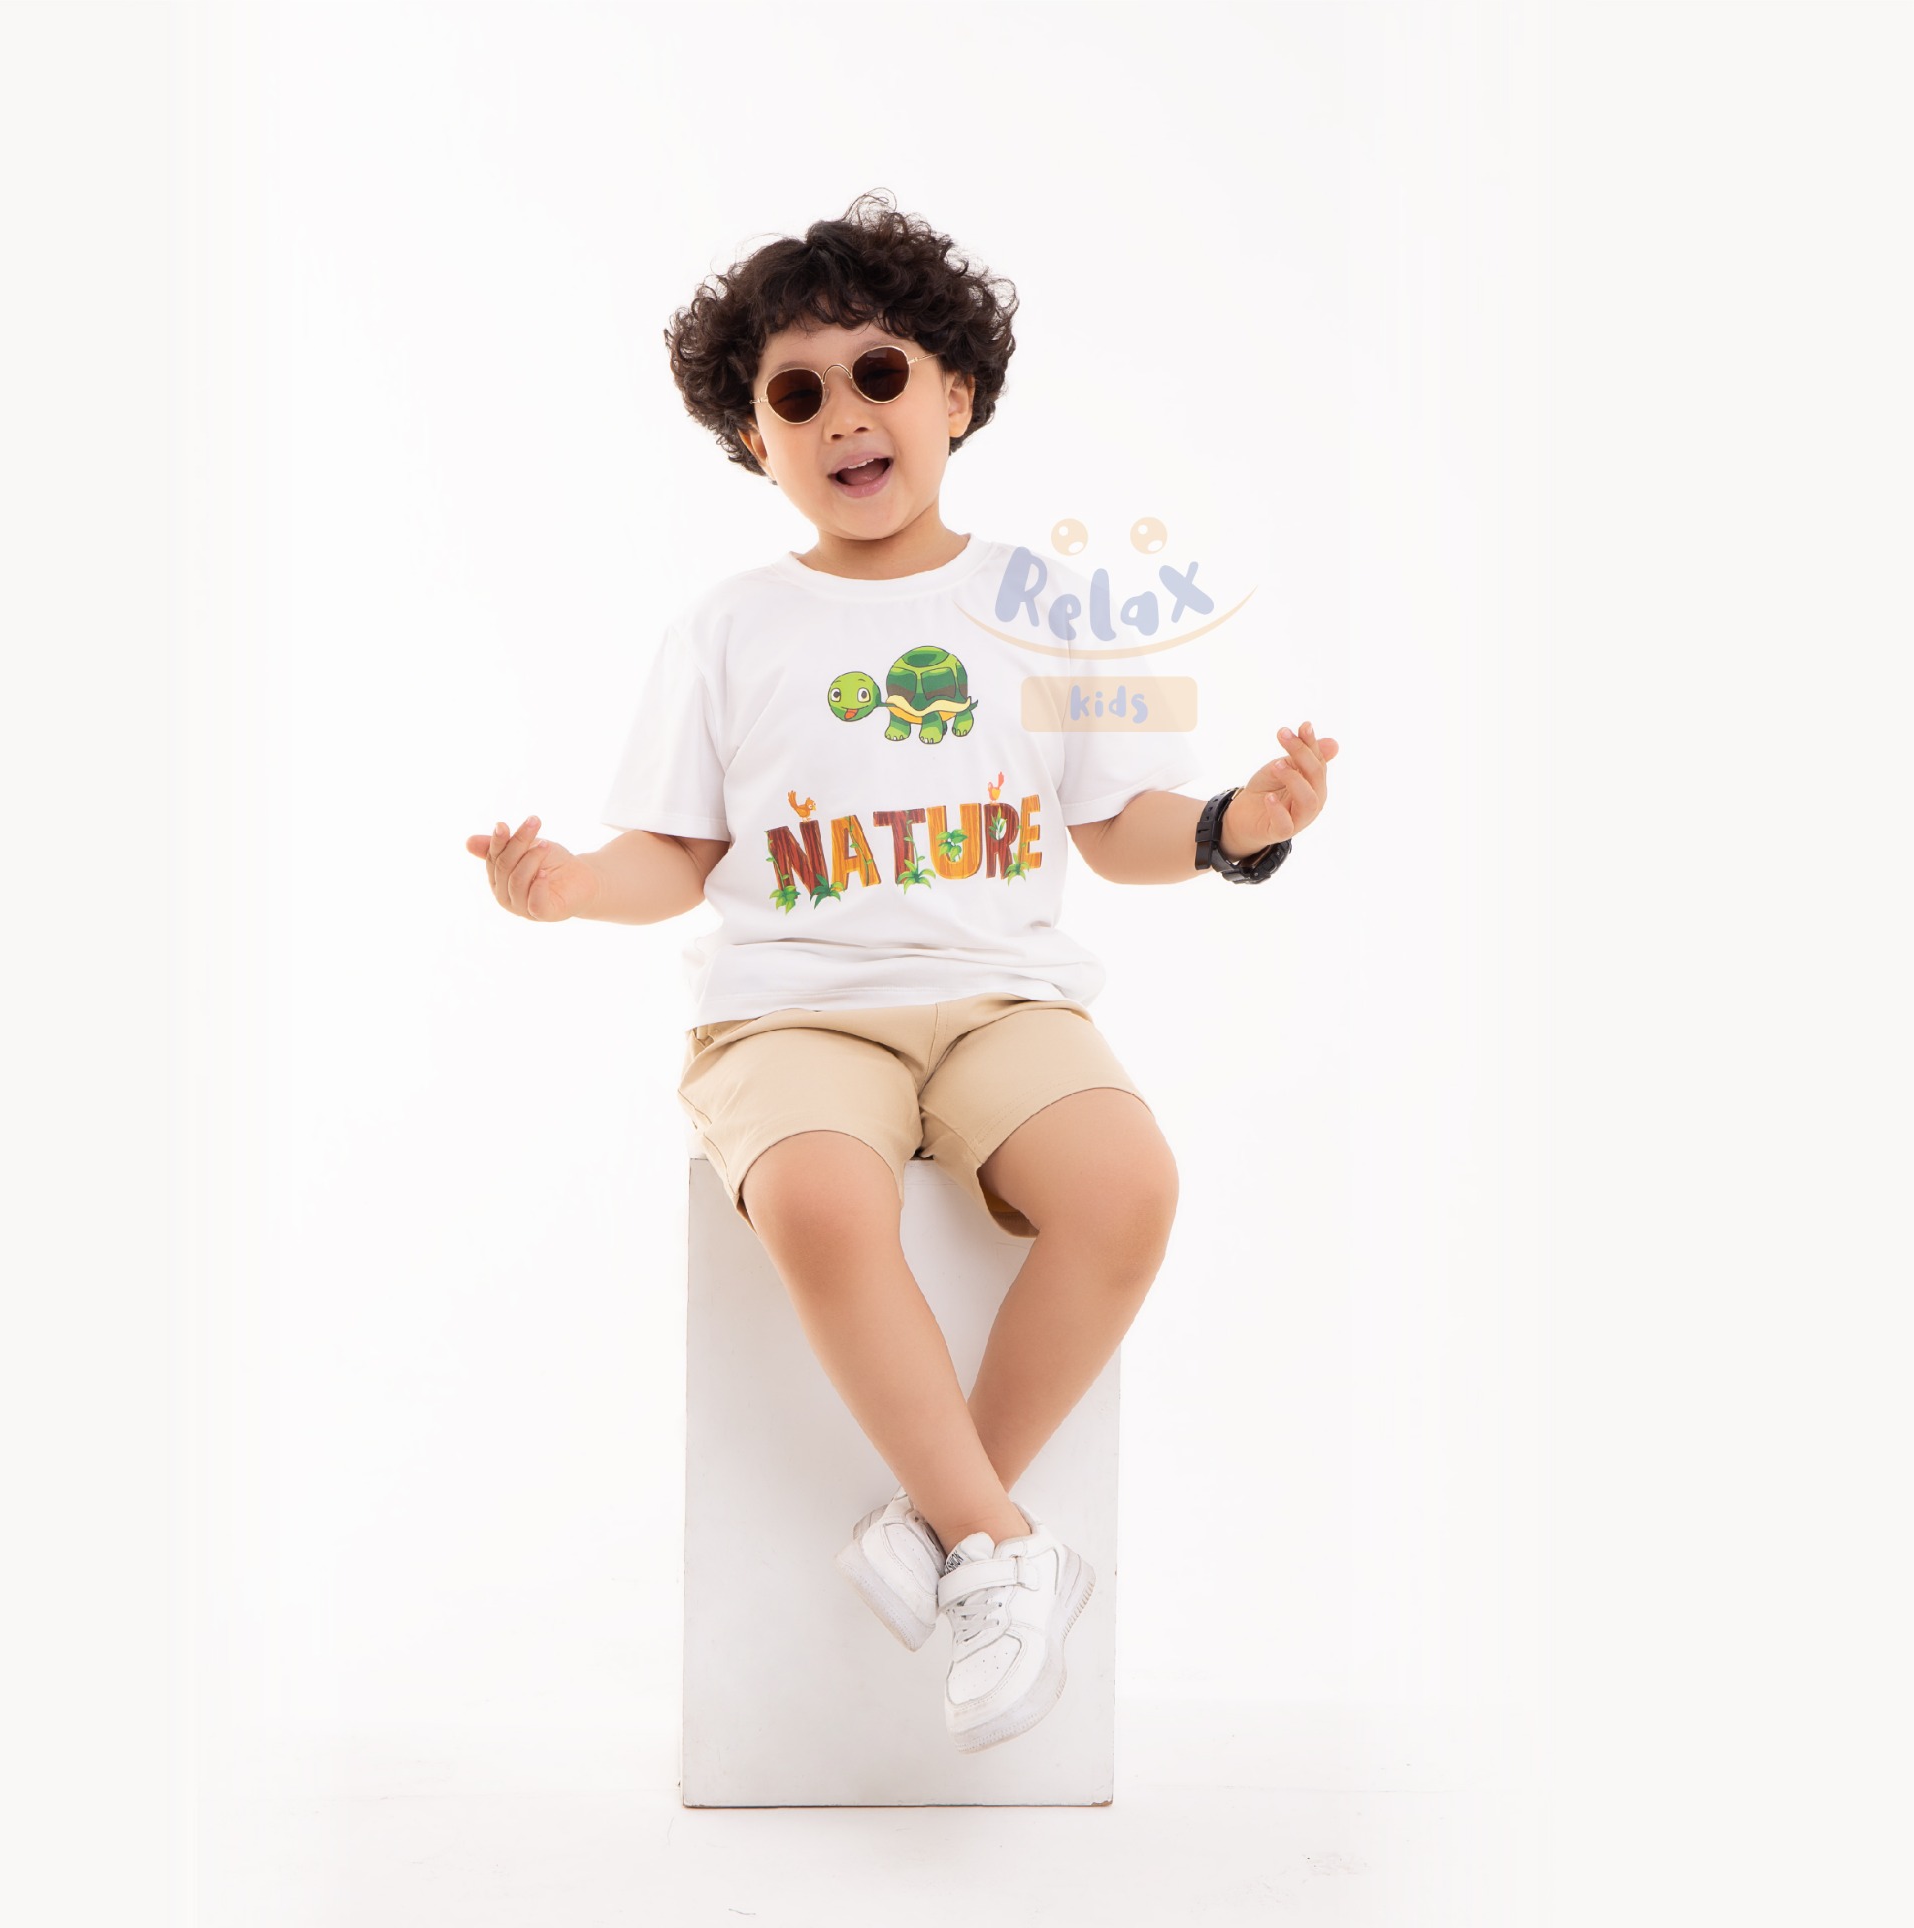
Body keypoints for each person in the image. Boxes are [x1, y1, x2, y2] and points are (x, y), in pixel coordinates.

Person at [464, 191, 1338, 1756]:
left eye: (879, 376)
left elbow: (1115, 824)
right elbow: (673, 849)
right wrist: (576, 887)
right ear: (754, 438)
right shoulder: (729, 630)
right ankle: (1001, 1548)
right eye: (796, 396)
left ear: (958, 393)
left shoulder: (1045, 606)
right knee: (816, 1199)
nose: (844, 417)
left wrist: (1230, 826)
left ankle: (940, 1533)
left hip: (1005, 1001)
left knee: (1126, 1184)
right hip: (794, 1010)